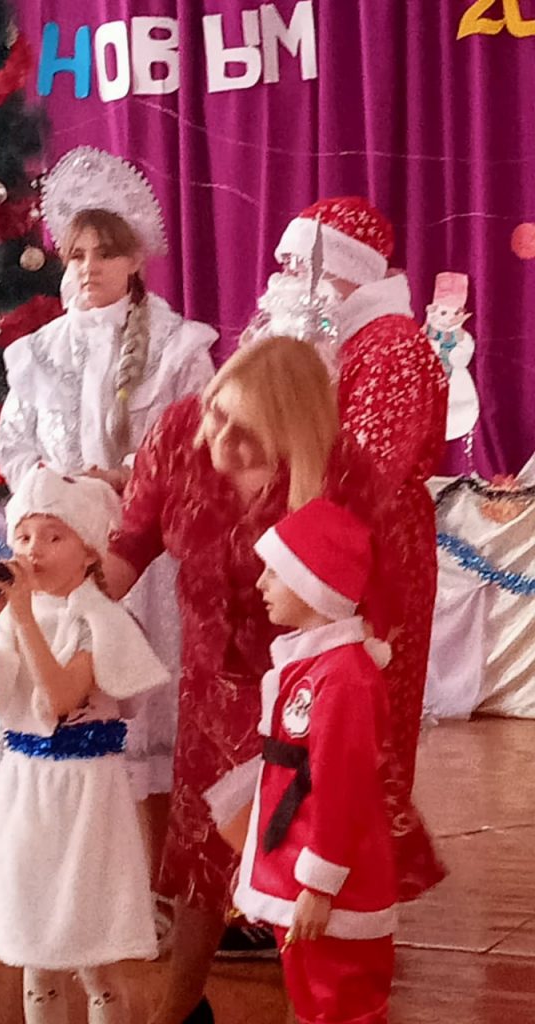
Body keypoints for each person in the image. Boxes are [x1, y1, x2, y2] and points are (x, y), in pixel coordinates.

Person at [104, 335, 366, 1024]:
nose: (220, 439)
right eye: (218, 414)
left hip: (305, 693)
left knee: (296, 851)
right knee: (201, 853)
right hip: (209, 690)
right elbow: (131, 544)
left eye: (246, 431)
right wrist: (61, 589)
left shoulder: (341, 467)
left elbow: (371, 599)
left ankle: (318, 1007)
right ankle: (181, 1008)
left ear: (292, 433)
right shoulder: (180, 433)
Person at [0, 145, 216, 879]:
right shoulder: (37, 353)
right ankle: (72, 879)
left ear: (136, 258)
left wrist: (123, 480)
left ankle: (161, 883)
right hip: (59, 562)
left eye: (106, 253)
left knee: (145, 729)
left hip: (143, 563)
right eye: (78, 253)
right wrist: (55, 496)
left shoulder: (179, 347)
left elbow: (202, 448)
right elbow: (16, 445)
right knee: (60, 721)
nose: (89, 267)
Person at [268, 197, 448, 897]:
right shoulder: (341, 342)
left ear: (343, 271)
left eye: (300, 263)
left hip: (373, 556)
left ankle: (358, 878)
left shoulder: (391, 345)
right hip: (332, 549)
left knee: (363, 715)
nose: (285, 276)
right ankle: (316, 868)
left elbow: (367, 471)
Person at [0, 464, 169, 1023]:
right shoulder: (11, 617)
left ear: (90, 552)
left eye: (54, 537)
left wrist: (23, 616)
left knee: (93, 958)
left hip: (86, 799)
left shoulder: (101, 621)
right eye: (25, 536)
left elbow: (59, 700)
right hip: (27, 795)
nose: (34, 550)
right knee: (36, 959)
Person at [208, 498, 398, 1024]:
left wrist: (320, 883)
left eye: (275, 572)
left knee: (341, 1004)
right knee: (312, 999)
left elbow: (341, 789)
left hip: (332, 879)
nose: (261, 584)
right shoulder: (311, 668)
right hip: (296, 866)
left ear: (314, 584)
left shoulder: (343, 679)